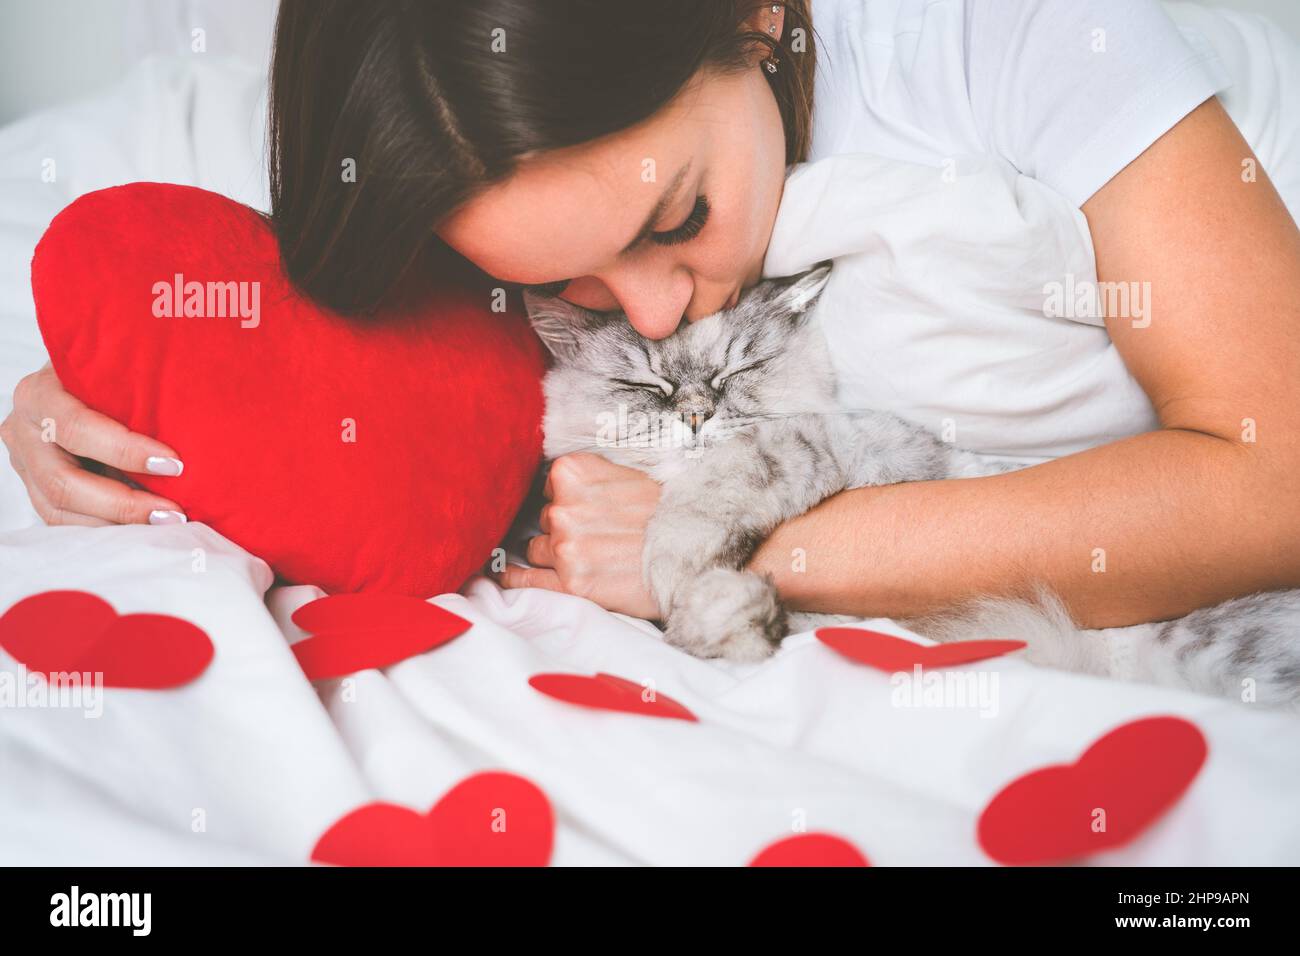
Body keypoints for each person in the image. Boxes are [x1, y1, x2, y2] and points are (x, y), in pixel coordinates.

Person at [4, 0, 1298, 630]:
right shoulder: (473, 161)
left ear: (752, 17)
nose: (661, 314)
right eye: (568, 286)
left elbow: (1277, 477)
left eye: (676, 218)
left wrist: (737, 548)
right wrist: (126, 384)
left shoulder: (1009, 30)